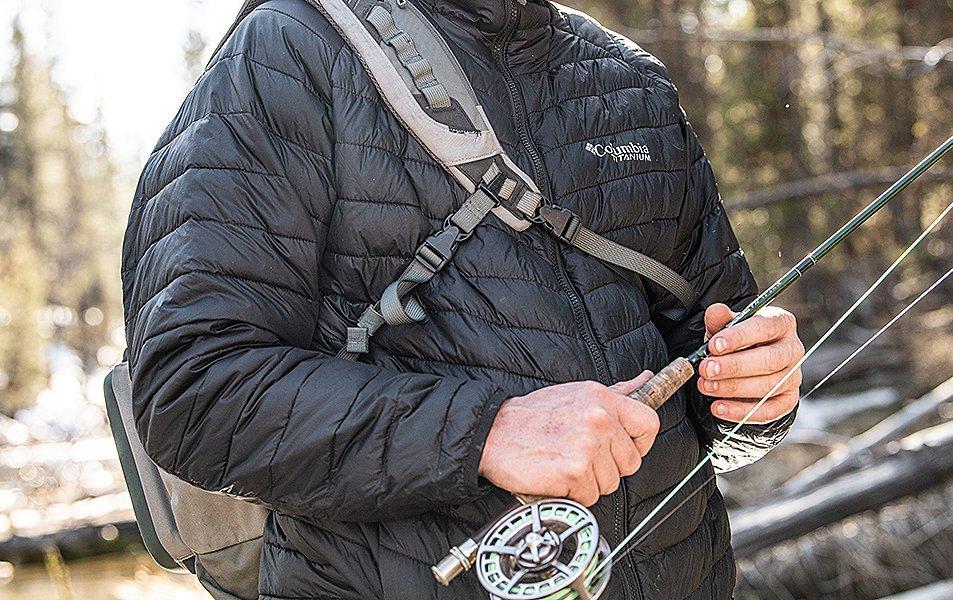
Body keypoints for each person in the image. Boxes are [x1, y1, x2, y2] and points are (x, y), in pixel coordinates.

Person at [121, 0, 803, 597]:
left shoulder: (631, 80)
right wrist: (484, 431)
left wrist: (759, 392)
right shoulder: (286, 54)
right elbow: (193, 391)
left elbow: (713, 356)